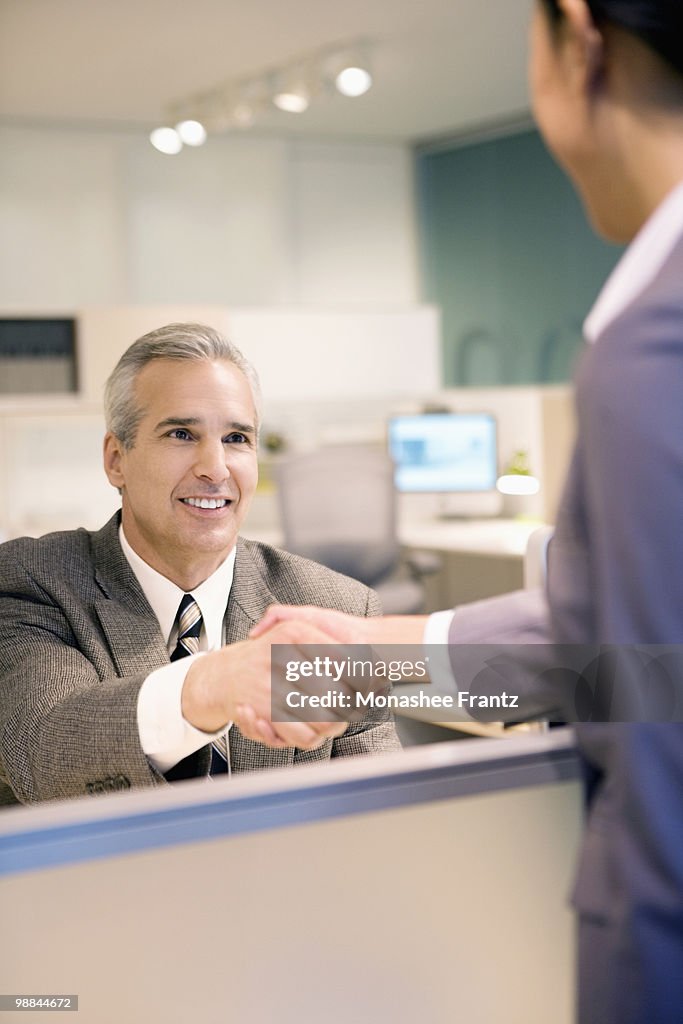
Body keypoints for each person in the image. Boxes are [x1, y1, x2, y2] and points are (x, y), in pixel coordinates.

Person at [248, 2, 683, 1021]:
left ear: (576, 41)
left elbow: (658, 759)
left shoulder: (649, 349)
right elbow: (626, 640)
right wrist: (367, 655)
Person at [0, 323, 400, 806]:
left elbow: (378, 807)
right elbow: (45, 753)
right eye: (182, 434)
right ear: (116, 460)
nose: (215, 467)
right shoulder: (33, 579)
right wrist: (213, 683)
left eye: (236, 438)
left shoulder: (336, 607)